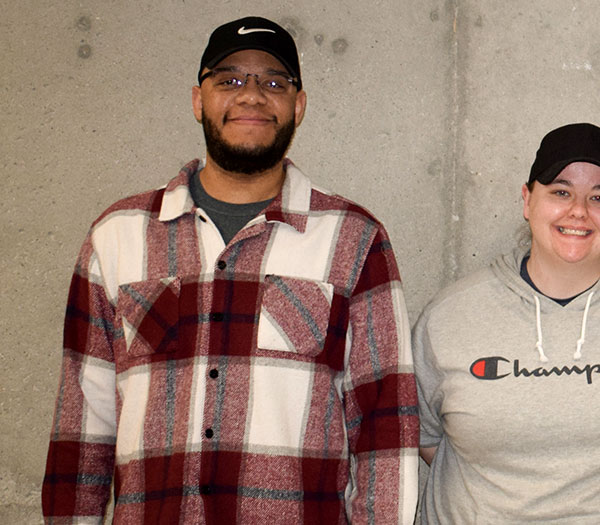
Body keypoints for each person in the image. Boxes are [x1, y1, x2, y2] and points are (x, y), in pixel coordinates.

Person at [41, 17, 418, 523]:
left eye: (274, 82)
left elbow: (384, 429)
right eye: (230, 80)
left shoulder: (354, 239)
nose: (253, 96)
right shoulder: (117, 235)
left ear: (297, 106)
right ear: (199, 100)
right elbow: (82, 428)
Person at [413, 123, 600, 523]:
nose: (579, 211)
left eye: (599, 197)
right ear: (527, 199)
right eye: (560, 192)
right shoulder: (450, 316)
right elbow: (424, 438)